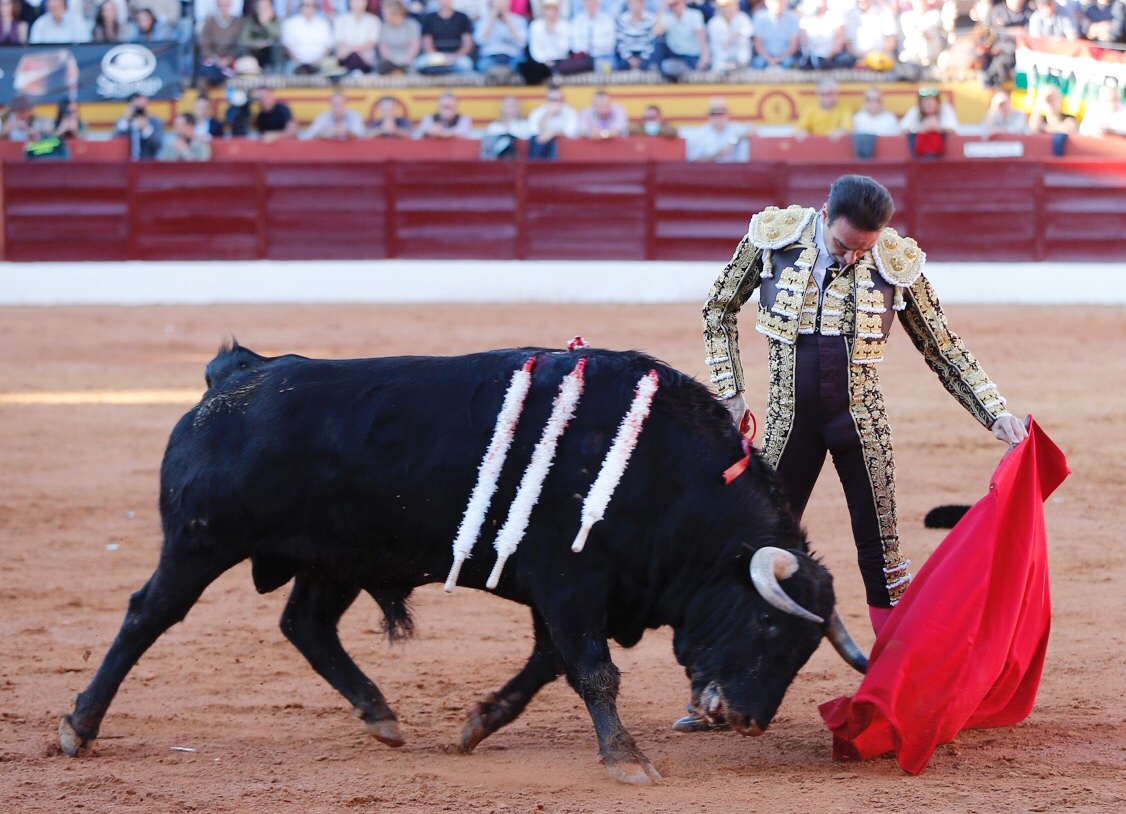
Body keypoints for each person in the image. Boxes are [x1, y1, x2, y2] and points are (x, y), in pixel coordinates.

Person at [677, 175, 1029, 733]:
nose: (852, 255)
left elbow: (941, 346)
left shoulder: (894, 260)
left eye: (864, 247)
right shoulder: (774, 237)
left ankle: (901, 693)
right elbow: (717, 308)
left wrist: (994, 410)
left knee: (885, 561)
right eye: (843, 245)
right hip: (788, 424)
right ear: (824, 217)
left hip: (861, 426)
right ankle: (721, 690)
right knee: (754, 555)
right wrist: (730, 389)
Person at [680, 97, 750, 162]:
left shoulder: (734, 128)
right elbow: (693, 160)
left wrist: (736, 140)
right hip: (708, 173)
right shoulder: (700, 133)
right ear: (709, 116)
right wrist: (718, 154)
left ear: (727, 115)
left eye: (721, 114)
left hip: (733, 172)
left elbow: (752, 130)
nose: (717, 117)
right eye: (714, 114)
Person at [652, 0, 709, 79]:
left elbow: (701, 37)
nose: (675, 6)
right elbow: (656, 31)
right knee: (658, 44)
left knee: (701, 68)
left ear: (684, 3)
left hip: (692, 55)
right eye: (672, 4)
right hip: (675, 55)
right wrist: (663, 6)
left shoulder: (695, 14)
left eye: (677, 3)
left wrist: (705, 56)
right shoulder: (668, 17)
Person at [416, 0, 475, 74]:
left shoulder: (462, 17)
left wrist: (454, 57)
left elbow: (467, 43)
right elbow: (427, 43)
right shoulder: (430, 18)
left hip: (457, 56)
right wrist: (439, 58)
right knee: (419, 64)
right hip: (434, 55)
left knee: (466, 65)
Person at [474, 0, 528, 80]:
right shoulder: (483, 20)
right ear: (491, 3)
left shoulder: (519, 20)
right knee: (482, 66)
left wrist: (510, 23)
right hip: (491, 57)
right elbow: (479, 41)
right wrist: (491, 22)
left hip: (512, 57)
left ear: (509, 3)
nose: (501, 3)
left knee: (524, 66)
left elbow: (522, 43)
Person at [900, 86, 959, 157]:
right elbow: (902, 130)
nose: (928, 103)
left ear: (938, 102)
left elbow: (953, 131)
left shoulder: (945, 109)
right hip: (918, 155)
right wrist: (920, 129)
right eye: (925, 101)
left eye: (932, 100)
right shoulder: (915, 110)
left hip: (943, 156)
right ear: (920, 103)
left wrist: (938, 129)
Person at [281, 0, 336, 76]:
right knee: (287, 70)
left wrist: (317, 62)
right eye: (307, 5)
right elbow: (288, 46)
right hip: (296, 63)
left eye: (313, 5)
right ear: (301, 7)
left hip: (320, 62)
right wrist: (298, 62)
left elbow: (329, 47)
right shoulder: (290, 24)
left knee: (332, 69)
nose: (310, 8)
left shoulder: (324, 24)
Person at [527, 83, 579, 159]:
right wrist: (547, 114)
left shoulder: (570, 112)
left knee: (554, 142)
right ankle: (535, 168)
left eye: (559, 100)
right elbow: (535, 134)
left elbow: (572, 132)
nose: (556, 103)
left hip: (563, 147)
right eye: (552, 100)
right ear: (546, 99)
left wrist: (553, 133)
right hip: (542, 148)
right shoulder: (537, 113)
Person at [843, 0, 898, 71]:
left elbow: (892, 42)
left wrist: (874, 56)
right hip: (856, 59)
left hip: (880, 59)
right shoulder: (849, 15)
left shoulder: (884, 13)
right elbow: (848, 45)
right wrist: (863, 57)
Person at [198, 0, 245, 84]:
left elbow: (240, 44)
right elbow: (205, 44)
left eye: (226, 5)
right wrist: (216, 59)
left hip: (232, 60)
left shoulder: (238, 22)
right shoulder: (210, 22)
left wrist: (229, 58)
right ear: (217, 6)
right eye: (221, 5)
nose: (224, 8)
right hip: (213, 60)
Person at [524, 0, 570, 83]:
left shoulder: (565, 26)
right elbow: (535, 50)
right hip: (541, 62)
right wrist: (545, 61)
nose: (551, 12)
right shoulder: (535, 25)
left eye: (553, 9)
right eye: (548, 9)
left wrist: (553, 32)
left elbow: (564, 49)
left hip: (560, 61)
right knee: (528, 67)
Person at [799, 0, 852, 70]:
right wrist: (814, 59)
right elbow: (804, 42)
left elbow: (839, 44)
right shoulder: (806, 18)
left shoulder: (836, 16)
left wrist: (827, 58)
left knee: (845, 60)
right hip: (813, 57)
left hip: (832, 57)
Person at [570, 0, 617, 74]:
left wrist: (591, 45)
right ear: (584, 3)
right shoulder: (578, 20)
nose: (591, 4)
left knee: (604, 66)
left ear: (599, 3)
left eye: (594, 1)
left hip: (604, 56)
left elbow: (610, 44)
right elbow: (576, 45)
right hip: (583, 57)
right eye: (589, 1)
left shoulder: (607, 20)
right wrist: (596, 44)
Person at [335, 0, 381, 74]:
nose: (358, 4)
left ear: (366, 2)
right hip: (346, 59)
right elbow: (340, 43)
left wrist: (352, 50)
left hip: (365, 61)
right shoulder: (341, 20)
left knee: (356, 58)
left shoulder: (374, 20)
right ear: (350, 2)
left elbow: (371, 44)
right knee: (353, 58)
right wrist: (354, 51)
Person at [239, 0, 283, 74]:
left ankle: (275, 71)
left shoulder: (276, 20)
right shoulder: (251, 20)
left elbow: (276, 34)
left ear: (272, 9)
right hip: (254, 53)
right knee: (242, 48)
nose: (263, 10)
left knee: (277, 43)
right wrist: (258, 44)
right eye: (261, 8)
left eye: (266, 8)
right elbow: (244, 40)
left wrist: (266, 23)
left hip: (269, 55)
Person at [300, 90, 366, 140]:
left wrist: (347, 132)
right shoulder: (323, 117)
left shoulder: (354, 115)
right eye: (335, 104)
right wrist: (324, 134)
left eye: (341, 104)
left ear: (346, 104)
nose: (338, 108)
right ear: (331, 105)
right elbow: (308, 136)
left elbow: (363, 136)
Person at [113, 92, 163, 159]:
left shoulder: (155, 122)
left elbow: (158, 146)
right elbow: (114, 142)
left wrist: (146, 129)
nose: (139, 109)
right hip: (126, 163)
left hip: (148, 164)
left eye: (142, 106)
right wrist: (125, 121)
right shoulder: (123, 121)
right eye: (137, 106)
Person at [707, 0, 752, 73]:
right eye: (725, 6)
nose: (728, 8)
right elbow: (715, 47)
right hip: (721, 62)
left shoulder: (742, 18)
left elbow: (749, 32)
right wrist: (726, 63)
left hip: (742, 62)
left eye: (731, 5)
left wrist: (735, 35)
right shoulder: (714, 23)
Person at [378, 0, 421, 75]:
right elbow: (384, 48)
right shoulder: (384, 27)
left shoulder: (412, 25)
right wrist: (393, 62)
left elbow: (414, 46)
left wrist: (405, 61)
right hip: (390, 63)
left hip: (409, 62)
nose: (384, 16)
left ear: (396, 13)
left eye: (386, 14)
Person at [614, 0, 657, 70]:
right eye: (633, 4)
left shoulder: (651, 19)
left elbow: (651, 43)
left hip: (645, 54)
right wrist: (629, 58)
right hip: (627, 55)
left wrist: (642, 58)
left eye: (638, 3)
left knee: (650, 65)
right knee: (620, 65)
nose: (636, 7)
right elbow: (620, 43)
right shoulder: (622, 20)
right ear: (629, 5)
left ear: (643, 4)